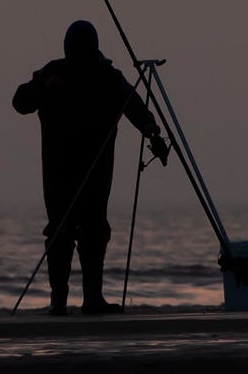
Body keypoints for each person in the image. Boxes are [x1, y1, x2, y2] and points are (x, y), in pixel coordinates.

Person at [12, 20, 164, 315]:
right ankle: (60, 301)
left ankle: (92, 300)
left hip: (96, 171)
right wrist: (43, 87)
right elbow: (20, 101)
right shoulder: (53, 74)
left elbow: (134, 105)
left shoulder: (107, 76)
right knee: (61, 231)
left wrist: (151, 129)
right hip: (59, 172)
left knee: (93, 230)